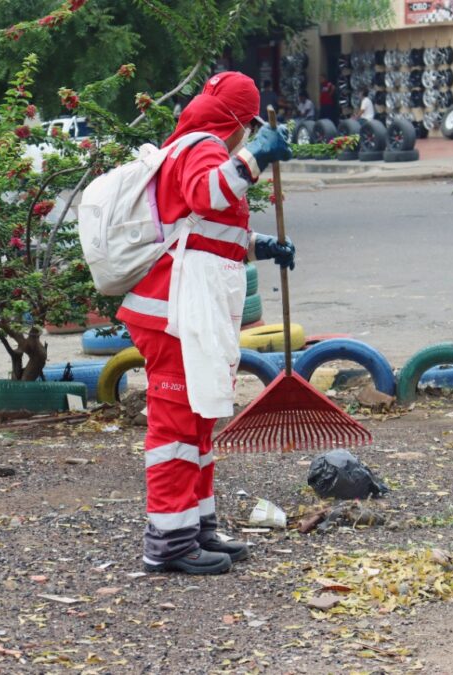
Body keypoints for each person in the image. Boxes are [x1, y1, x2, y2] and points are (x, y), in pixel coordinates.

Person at [116, 72, 295, 576]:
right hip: (172, 312)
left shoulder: (199, 147)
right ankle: (168, 542)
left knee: (197, 420)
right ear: (240, 121)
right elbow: (205, 196)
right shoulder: (202, 147)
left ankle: (196, 526)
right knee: (176, 425)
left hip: (183, 307)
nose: (248, 137)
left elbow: (207, 231)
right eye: (251, 128)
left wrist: (264, 246)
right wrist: (256, 156)